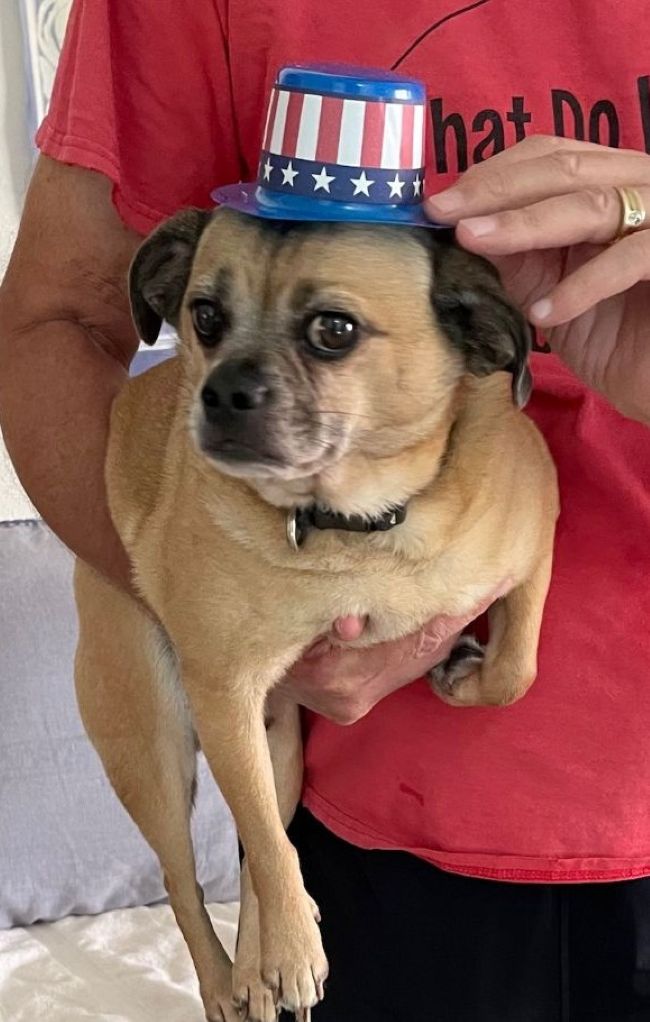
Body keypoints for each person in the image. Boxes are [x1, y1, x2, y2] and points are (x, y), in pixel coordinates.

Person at [0, 2, 648, 1019]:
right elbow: (61, 320)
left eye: (331, 332)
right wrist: (218, 609)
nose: (233, 376)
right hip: (373, 827)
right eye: (208, 324)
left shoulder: (499, 440)